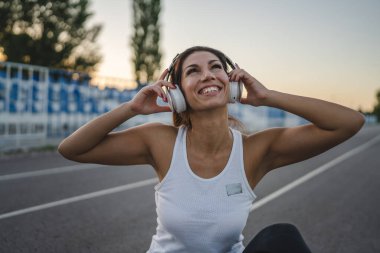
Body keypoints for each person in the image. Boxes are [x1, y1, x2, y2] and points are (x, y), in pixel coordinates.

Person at [58, 46, 365, 253]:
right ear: (177, 93)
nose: (207, 75)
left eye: (216, 67)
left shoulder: (255, 151)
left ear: (231, 83)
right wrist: (131, 108)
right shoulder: (160, 141)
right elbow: (72, 149)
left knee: (283, 237)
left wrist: (269, 96)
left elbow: (349, 123)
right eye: (193, 71)